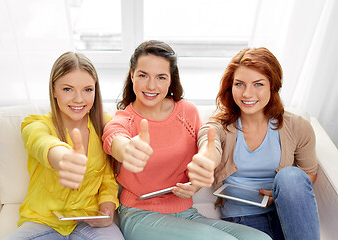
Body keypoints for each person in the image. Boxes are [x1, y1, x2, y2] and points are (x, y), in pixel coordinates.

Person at [102, 40, 271, 240]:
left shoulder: (187, 112)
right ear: (132, 75)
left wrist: (196, 184)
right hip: (140, 215)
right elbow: (114, 138)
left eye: (161, 77)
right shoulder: (124, 119)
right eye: (143, 75)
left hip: (185, 212)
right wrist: (128, 149)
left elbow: (204, 152)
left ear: (171, 80)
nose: (151, 85)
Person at [187, 47, 320, 240]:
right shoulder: (219, 126)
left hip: (285, 212)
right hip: (243, 218)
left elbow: (309, 174)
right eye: (239, 84)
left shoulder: (298, 127)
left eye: (258, 84)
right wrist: (206, 160)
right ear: (230, 86)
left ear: (272, 86)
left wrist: (279, 195)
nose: (247, 94)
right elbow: (209, 146)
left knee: (291, 175)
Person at [4, 52, 124, 240]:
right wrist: (62, 158)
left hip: (88, 221)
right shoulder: (35, 123)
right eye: (68, 89)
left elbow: (107, 177)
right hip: (42, 221)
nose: (79, 99)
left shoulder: (104, 125)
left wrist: (107, 209)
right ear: (54, 90)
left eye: (87, 90)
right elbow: (41, 143)